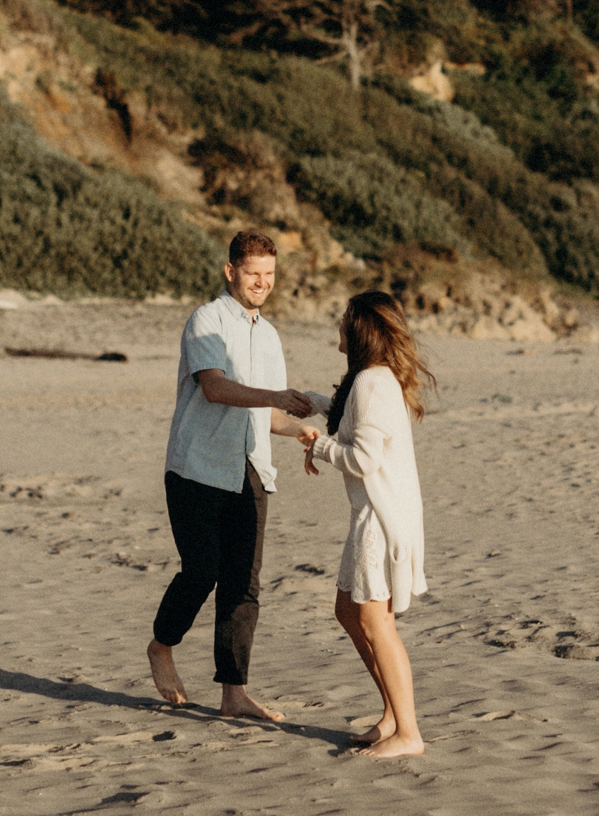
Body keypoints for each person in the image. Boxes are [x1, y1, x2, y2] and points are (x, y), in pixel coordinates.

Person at [147, 230, 320, 721]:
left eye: (269, 275)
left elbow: (267, 413)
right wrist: (274, 397)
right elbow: (216, 389)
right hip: (197, 467)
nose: (262, 283)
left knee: (244, 585)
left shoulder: (268, 334)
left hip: (251, 470)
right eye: (253, 274)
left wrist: (301, 431)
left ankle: (233, 693)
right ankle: (162, 645)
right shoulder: (206, 320)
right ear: (230, 272)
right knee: (202, 570)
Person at [296, 290, 434, 759]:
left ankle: (409, 732)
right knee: (348, 611)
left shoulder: (374, 383)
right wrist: (312, 402)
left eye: (343, 320)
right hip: (372, 514)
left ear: (359, 331)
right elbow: (352, 421)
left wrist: (317, 447)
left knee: (377, 622)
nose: (338, 325)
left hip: (381, 517)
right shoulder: (370, 382)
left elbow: (363, 457)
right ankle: (393, 715)